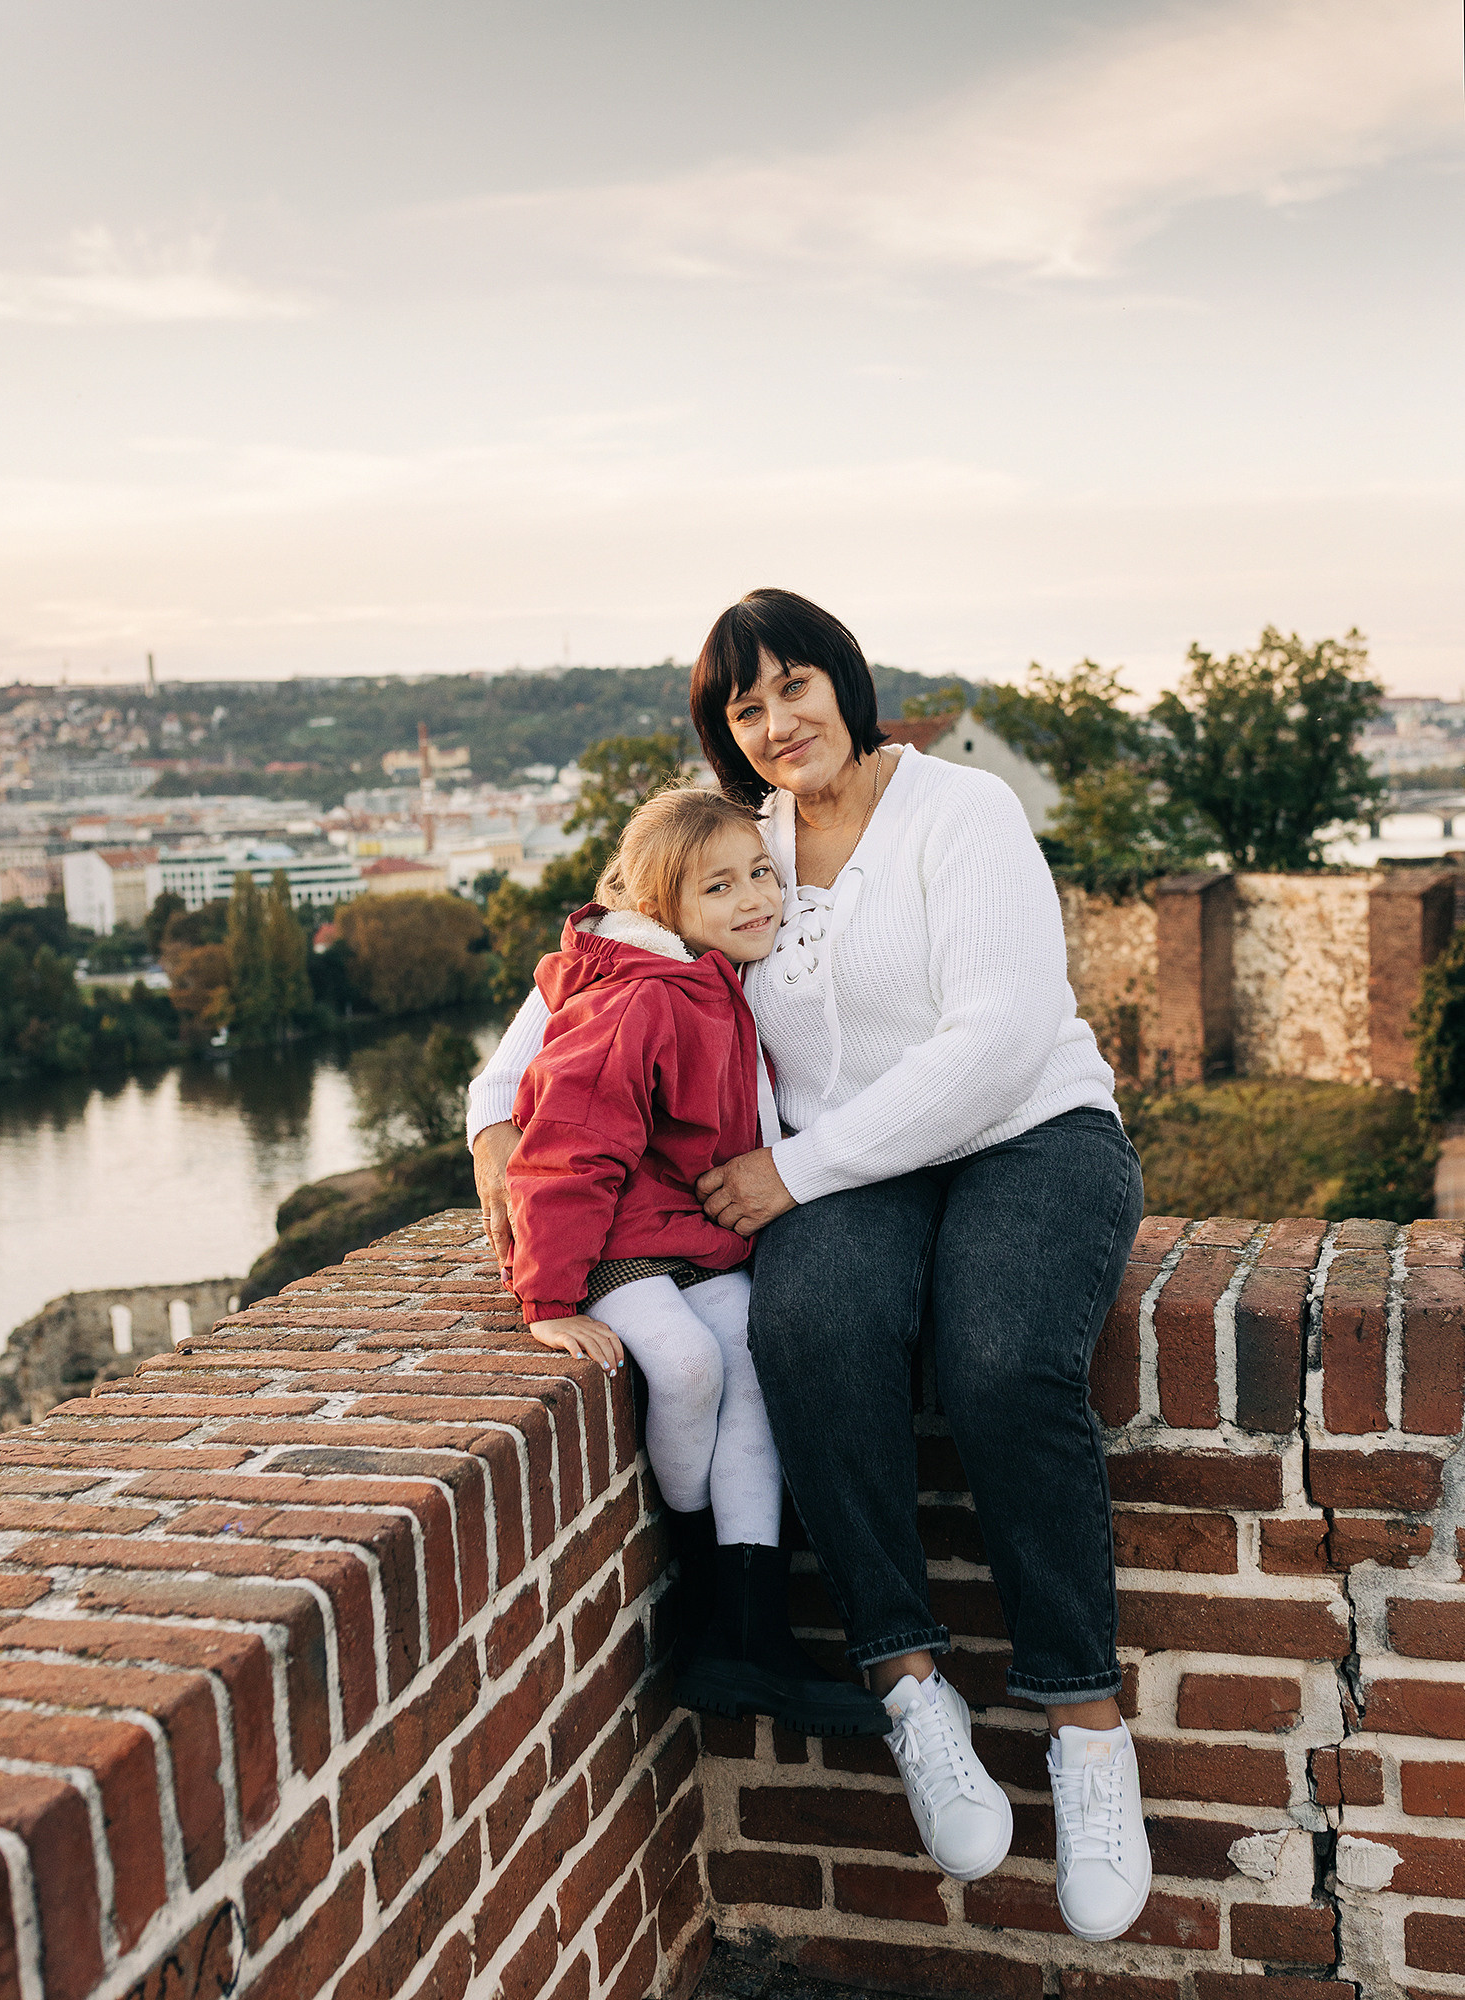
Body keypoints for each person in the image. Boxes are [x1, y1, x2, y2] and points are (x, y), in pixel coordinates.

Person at [473, 590, 1150, 1942]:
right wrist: (497, 1131)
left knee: (1002, 1361)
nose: (777, 723)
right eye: (743, 706)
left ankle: (1085, 1729)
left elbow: (998, 1038)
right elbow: (585, 988)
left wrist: (789, 1173)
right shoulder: (729, 845)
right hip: (842, 1167)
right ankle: (908, 1688)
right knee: (810, 1330)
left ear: (845, 678)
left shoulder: (959, 814)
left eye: (793, 687)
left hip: (1026, 1135)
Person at [494, 782, 888, 1738]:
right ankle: (701, 1557)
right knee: (684, 1366)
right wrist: (548, 1298)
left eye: (762, 873)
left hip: (695, 1246)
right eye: (722, 888)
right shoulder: (638, 1000)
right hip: (616, 1255)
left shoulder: (711, 978)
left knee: (754, 1367)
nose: (757, 898)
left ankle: (745, 1631)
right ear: (663, 909)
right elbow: (568, 1149)